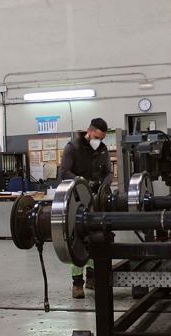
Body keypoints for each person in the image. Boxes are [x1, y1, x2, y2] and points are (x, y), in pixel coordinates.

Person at [59, 117, 113, 299]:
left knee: (95, 238)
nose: (99, 141)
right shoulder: (72, 148)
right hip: (77, 202)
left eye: (102, 138)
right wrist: (83, 183)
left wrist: (104, 188)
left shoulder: (103, 150)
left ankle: (92, 278)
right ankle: (77, 283)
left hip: (96, 202)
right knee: (78, 241)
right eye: (97, 136)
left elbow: (108, 173)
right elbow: (64, 172)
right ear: (89, 132)